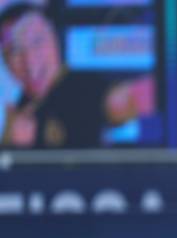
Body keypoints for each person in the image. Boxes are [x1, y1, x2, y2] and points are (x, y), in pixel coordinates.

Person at [0, 3, 154, 148]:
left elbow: (122, 102)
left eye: (37, 41)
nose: (30, 59)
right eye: (14, 51)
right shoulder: (23, 105)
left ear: (54, 37)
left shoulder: (89, 88)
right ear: (5, 60)